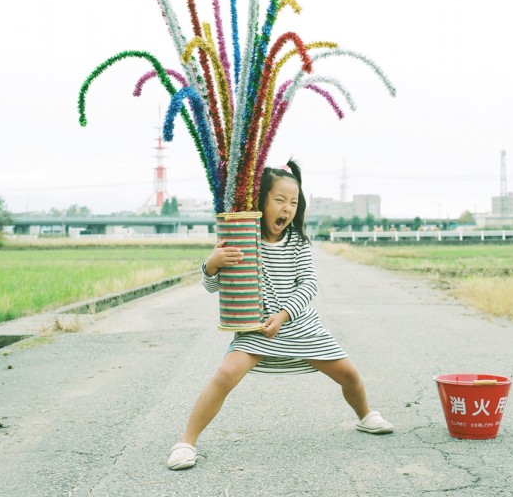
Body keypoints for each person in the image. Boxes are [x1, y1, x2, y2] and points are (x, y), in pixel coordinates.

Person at [167, 160, 393, 470]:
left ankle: (365, 415)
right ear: (261, 201)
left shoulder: (298, 242)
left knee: (349, 374)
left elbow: (309, 283)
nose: (287, 208)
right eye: (280, 200)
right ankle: (185, 442)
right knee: (224, 376)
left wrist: (285, 314)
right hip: (256, 328)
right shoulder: (242, 238)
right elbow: (215, 286)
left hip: (300, 326)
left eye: (294, 202)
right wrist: (212, 263)